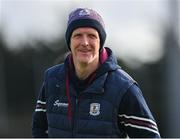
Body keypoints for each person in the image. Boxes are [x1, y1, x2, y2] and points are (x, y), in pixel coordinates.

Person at [32, 8, 160, 138]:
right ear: (69, 41)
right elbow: (39, 130)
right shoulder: (52, 80)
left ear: (101, 43)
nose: (85, 42)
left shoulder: (124, 87)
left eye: (92, 36)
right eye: (78, 35)